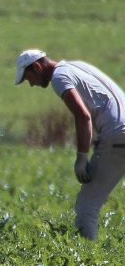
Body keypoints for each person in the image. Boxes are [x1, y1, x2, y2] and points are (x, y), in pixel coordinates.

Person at [15, 49, 125, 240]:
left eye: (28, 77)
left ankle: (88, 261)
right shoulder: (77, 66)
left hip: (116, 137)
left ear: (37, 66)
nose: (31, 84)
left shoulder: (59, 78)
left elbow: (82, 116)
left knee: (87, 205)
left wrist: (81, 158)